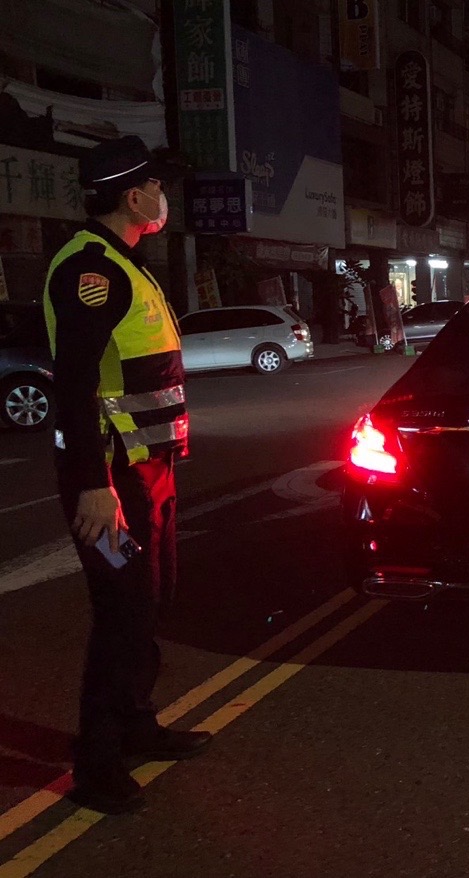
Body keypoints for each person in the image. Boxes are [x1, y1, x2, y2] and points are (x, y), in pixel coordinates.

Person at [44, 135, 210, 815]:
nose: (165, 197)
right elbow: (73, 384)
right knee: (122, 613)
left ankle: (137, 723)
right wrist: (93, 484)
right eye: (158, 187)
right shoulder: (93, 271)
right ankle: (97, 764)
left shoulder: (125, 264)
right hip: (112, 481)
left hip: (148, 472)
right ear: (134, 197)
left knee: (151, 601)